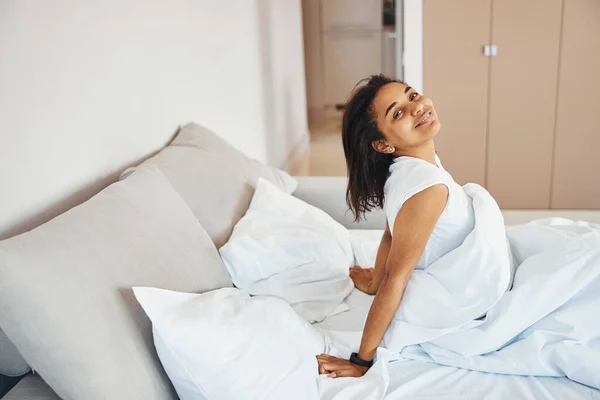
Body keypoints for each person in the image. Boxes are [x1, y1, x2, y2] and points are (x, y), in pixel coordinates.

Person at [316, 74, 476, 378]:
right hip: (470, 289)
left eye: (412, 96)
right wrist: (360, 361)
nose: (417, 107)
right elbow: (397, 279)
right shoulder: (426, 188)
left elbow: (391, 234)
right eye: (398, 113)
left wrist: (374, 281)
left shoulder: (406, 169)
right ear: (383, 143)